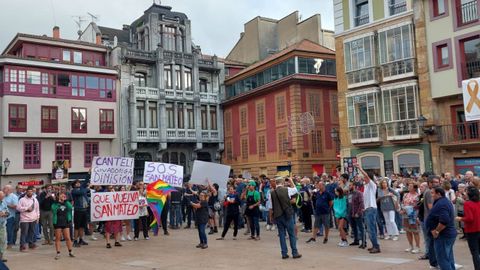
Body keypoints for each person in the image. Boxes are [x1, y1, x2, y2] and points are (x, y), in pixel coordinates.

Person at [270, 177, 301, 259]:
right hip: (287, 215)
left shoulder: (272, 192)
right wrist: (291, 180)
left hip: (278, 215)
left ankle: (284, 253)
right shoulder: (287, 189)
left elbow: (272, 206)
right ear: (283, 182)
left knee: (281, 235)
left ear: (276, 183)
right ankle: (294, 252)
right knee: (291, 234)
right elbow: (295, 190)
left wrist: (272, 216)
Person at [426, 187, 457, 270]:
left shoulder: (442, 203)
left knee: (443, 260)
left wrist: (436, 231)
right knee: (448, 258)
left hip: (444, 236)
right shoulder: (442, 202)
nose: (431, 195)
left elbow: (444, 220)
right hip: (447, 235)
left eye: (432, 193)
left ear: (438, 194)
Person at [356, 164, 381, 253]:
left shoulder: (372, 185)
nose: (363, 179)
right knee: (370, 228)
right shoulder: (366, 186)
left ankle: (376, 247)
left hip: (371, 209)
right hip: (367, 209)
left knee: (371, 229)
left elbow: (366, 175)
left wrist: (360, 168)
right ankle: (375, 245)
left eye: (365, 178)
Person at [456, 186, 480, 269]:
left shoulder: (467, 204)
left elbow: (470, 218)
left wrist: (461, 218)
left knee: (475, 252)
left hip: (472, 230)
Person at [51, 192, 74, 260]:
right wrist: (58, 202)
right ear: (58, 196)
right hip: (57, 222)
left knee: (67, 237)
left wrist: (65, 201)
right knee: (58, 238)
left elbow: (70, 207)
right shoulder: (55, 204)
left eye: (64, 196)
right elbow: (53, 209)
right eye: (61, 195)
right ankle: (58, 253)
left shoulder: (66, 203)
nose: (63, 196)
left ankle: (70, 252)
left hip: (66, 222)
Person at [16, 186, 40, 252]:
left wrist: (38, 217)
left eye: (31, 191)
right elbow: (18, 208)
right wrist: (26, 208)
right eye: (28, 191)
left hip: (33, 219)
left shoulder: (35, 199)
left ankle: (31, 244)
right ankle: (22, 246)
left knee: (32, 232)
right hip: (24, 219)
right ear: (26, 192)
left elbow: (37, 209)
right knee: (24, 233)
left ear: (33, 192)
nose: (30, 193)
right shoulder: (22, 199)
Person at [401, 182, 421, 254]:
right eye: (408, 186)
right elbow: (403, 203)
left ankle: (417, 247)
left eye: (410, 186)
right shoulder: (405, 194)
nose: (409, 187)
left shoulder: (417, 196)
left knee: (415, 231)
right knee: (408, 230)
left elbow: (417, 206)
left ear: (414, 188)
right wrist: (402, 209)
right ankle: (410, 245)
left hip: (413, 215)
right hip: (405, 214)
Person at [71, 180, 89, 247]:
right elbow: (82, 192)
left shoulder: (82, 188)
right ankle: (75, 241)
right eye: (77, 183)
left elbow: (85, 182)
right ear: (74, 185)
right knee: (77, 227)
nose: (79, 184)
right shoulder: (74, 191)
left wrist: (89, 173)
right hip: (78, 210)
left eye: (79, 183)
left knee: (82, 226)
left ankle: (81, 239)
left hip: (84, 209)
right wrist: (85, 188)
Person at [348, 179, 365, 248]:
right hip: (350, 213)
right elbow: (348, 203)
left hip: (357, 213)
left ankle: (364, 242)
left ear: (354, 186)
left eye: (350, 185)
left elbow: (361, 204)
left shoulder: (359, 193)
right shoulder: (349, 194)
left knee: (361, 228)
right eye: (349, 185)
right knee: (353, 228)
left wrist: (358, 212)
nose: (349, 186)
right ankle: (356, 240)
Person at [3, 185, 18, 249]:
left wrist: (7, 205)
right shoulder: (3, 196)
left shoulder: (13, 196)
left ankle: (10, 243)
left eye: (4, 189)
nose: (3, 190)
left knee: (9, 231)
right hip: (2, 217)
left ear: (9, 190)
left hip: (10, 217)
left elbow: (15, 206)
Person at [0, 192, 9, 262]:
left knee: (3, 241)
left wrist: (5, 213)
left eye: (3, 196)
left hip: (2, 225)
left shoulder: (4, 202)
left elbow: (8, 212)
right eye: (1, 197)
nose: (3, 198)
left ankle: (1, 256)